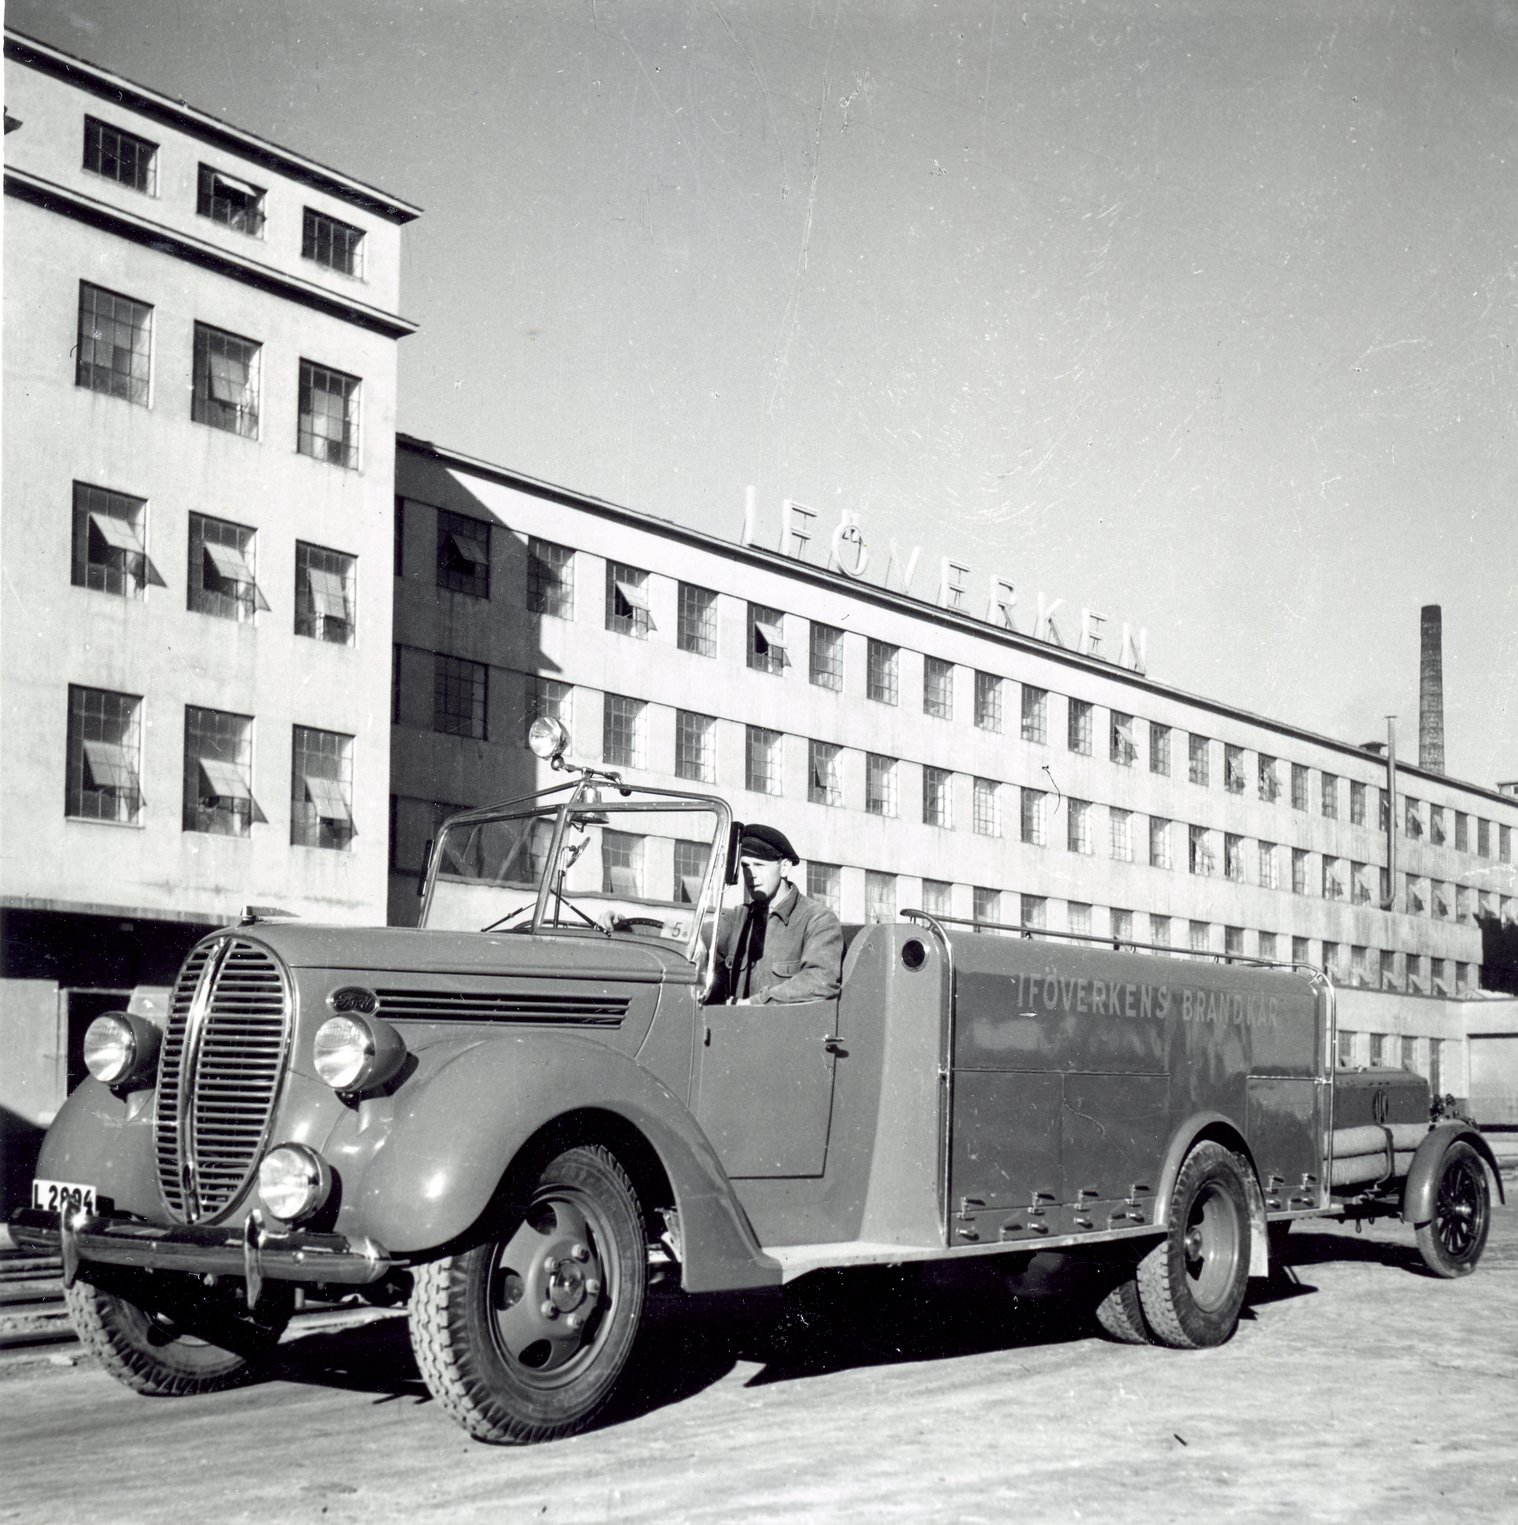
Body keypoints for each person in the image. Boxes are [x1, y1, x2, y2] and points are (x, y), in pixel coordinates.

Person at [711, 824, 844, 1005]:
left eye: (759, 865)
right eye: (745, 866)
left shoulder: (817, 920)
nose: (751, 874)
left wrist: (755, 1003)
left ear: (785, 868)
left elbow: (821, 980)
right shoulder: (739, 918)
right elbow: (696, 945)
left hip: (785, 1029)